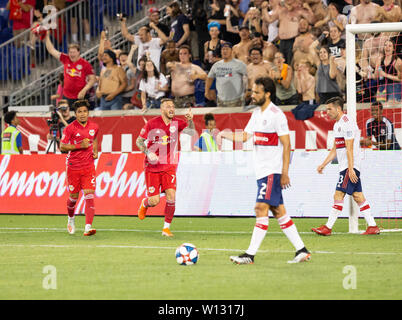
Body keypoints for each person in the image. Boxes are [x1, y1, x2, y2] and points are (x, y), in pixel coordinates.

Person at [217, 77, 311, 264]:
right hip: (262, 171)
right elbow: (245, 136)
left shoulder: (276, 115)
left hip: (272, 171)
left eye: (257, 92)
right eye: (252, 91)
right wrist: (223, 134)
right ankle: (302, 250)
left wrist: (284, 172)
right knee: (278, 211)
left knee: (260, 208)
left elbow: (287, 145)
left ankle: (249, 255)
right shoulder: (256, 114)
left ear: (267, 94)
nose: (253, 95)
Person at [312, 96, 380, 236]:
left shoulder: (347, 123)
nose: (327, 112)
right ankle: (373, 226)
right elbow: (336, 148)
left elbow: (349, 148)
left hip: (350, 166)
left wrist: (350, 169)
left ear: (338, 109)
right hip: (347, 165)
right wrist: (324, 164)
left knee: (338, 194)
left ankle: (328, 227)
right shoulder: (337, 125)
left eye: (329, 109)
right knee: (358, 196)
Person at [136, 98, 195, 237]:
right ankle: (145, 203)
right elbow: (139, 141)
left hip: (169, 166)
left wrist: (191, 120)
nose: (171, 108)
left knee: (171, 195)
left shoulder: (178, 123)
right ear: (162, 109)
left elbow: (191, 133)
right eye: (168, 106)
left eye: (173, 106)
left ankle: (166, 228)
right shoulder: (152, 123)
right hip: (152, 167)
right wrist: (148, 152)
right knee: (154, 201)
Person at [60, 99, 99, 236]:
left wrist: (95, 150)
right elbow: (62, 146)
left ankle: (88, 227)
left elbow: (94, 139)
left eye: (84, 111)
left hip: (88, 166)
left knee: (89, 195)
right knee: (73, 198)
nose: (82, 114)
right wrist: (79, 146)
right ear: (75, 114)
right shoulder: (69, 128)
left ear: (88, 113)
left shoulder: (94, 126)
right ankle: (71, 219)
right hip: (73, 167)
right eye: (79, 112)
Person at [45, 32, 96, 108]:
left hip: (80, 96)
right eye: (70, 52)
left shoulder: (85, 64)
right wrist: (46, 36)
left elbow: (92, 79)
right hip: (67, 96)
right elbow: (51, 50)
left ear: (78, 52)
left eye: (74, 52)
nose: (72, 54)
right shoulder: (66, 59)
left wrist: (84, 90)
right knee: (67, 118)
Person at [262, 0, 315, 64]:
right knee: (282, 64)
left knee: (291, 63)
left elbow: (312, 20)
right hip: (282, 42)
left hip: (293, 41)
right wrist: (264, 9)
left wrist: (308, 8)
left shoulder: (299, 9)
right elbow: (269, 19)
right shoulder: (281, 9)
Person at [205, 41, 248, 108]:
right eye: (223, 49)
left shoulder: (239, 64)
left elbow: (249, 76)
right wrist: (207, 91)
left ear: (232, 51)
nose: (225, 51)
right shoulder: (216, 65)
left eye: (227, 49)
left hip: (237, 101)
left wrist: (248, 91)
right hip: (221, 101)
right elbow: (210, 77)